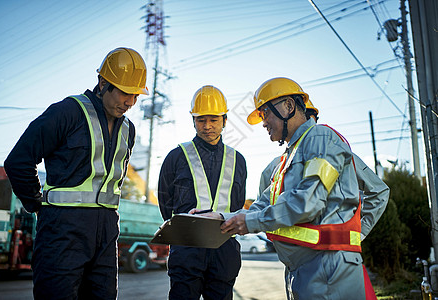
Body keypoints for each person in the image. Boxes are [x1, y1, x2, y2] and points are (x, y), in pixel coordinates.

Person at [197, 77, 389, 299]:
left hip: (328, 266)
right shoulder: (286, 161)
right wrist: (220, 217)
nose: (263, 123)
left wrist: (351, 236)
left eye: (265, 114)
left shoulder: (320, 137)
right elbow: (258, 208)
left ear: (288, 107)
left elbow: (309, 201)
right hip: (304, 269)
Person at [4, 47, 148, 299]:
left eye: (136, 95)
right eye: (125, 93)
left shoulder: (129, 129)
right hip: (62, 229)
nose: (130, 102)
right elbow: (18, 160)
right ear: (103, 83)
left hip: (106, 232)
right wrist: (36, 205)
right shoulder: (67, 112)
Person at [158, 85, 247, 300]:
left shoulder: (238, 160)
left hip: (224, 248)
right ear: (193, 121)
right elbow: (164, 200)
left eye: (214, 120)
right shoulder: (176, 156)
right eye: (201, 120)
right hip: (187, 247)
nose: (207, 126)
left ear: (224, 120)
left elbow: (238, 202)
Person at [258, 99, 389, 242]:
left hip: (329, 254)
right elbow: (262, 209)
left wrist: (359, 232)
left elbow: (379, 191)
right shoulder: (274, 168)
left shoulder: (334, 150)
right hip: (298, 258)